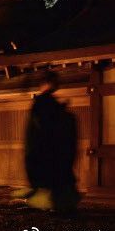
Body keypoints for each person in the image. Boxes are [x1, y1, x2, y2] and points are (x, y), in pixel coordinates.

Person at [13, 71, 80, 212]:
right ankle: (53, 204)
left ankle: (52, 204)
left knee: (51, 180)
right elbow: (47, 125)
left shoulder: (43, 103)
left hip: (45, 148)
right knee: (53, 179)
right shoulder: (44, 103)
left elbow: (45, 124)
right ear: (47, 83)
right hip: (49, 149)